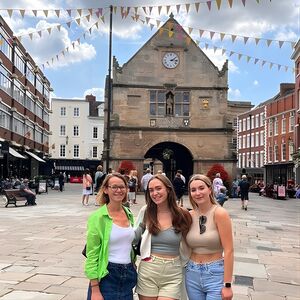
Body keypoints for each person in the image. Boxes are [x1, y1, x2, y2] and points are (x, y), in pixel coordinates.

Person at [134, 174, 192, 300]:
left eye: (158, 188)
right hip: (149, 269)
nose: (155, 193)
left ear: (168, 189)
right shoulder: (146, 211)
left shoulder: (182, 214)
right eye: (151, 190)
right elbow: (134, 237)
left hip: (173, 271)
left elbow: (191, 241)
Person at [85, 173, 137, 300]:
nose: (119, 190)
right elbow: (92, 254)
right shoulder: (98, 217)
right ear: (106, 190)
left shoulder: (128, 213)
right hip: (107, 276)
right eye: (114, 187)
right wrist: (95, 289)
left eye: (122, 187)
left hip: (128, 274)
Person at [185, 174, 233, 300]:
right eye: (193, 190)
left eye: (201, 188)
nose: (197, 193)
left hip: (215, 273)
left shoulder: (220, 213)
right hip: (192, 273)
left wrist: (227, 285)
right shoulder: (189, 215)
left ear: (210, 189)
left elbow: (229, 250)